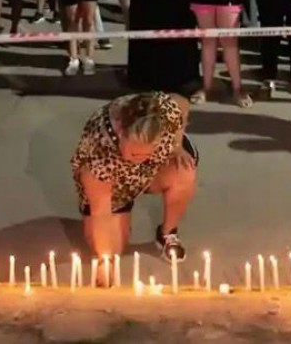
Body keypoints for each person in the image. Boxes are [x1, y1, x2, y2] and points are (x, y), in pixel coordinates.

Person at [72, 92, 197, 283]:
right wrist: (107, 260)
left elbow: (182, 103)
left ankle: (167, 233)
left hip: (150, 173)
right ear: (122, 132)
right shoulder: (100, 147)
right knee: (112, 250)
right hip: (114, 189)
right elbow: (101, 209)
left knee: (185, 172)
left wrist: (177, 144)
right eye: (134, 153)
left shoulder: (163, 113)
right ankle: (122, 215)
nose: (138, 159)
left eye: (147, 153)